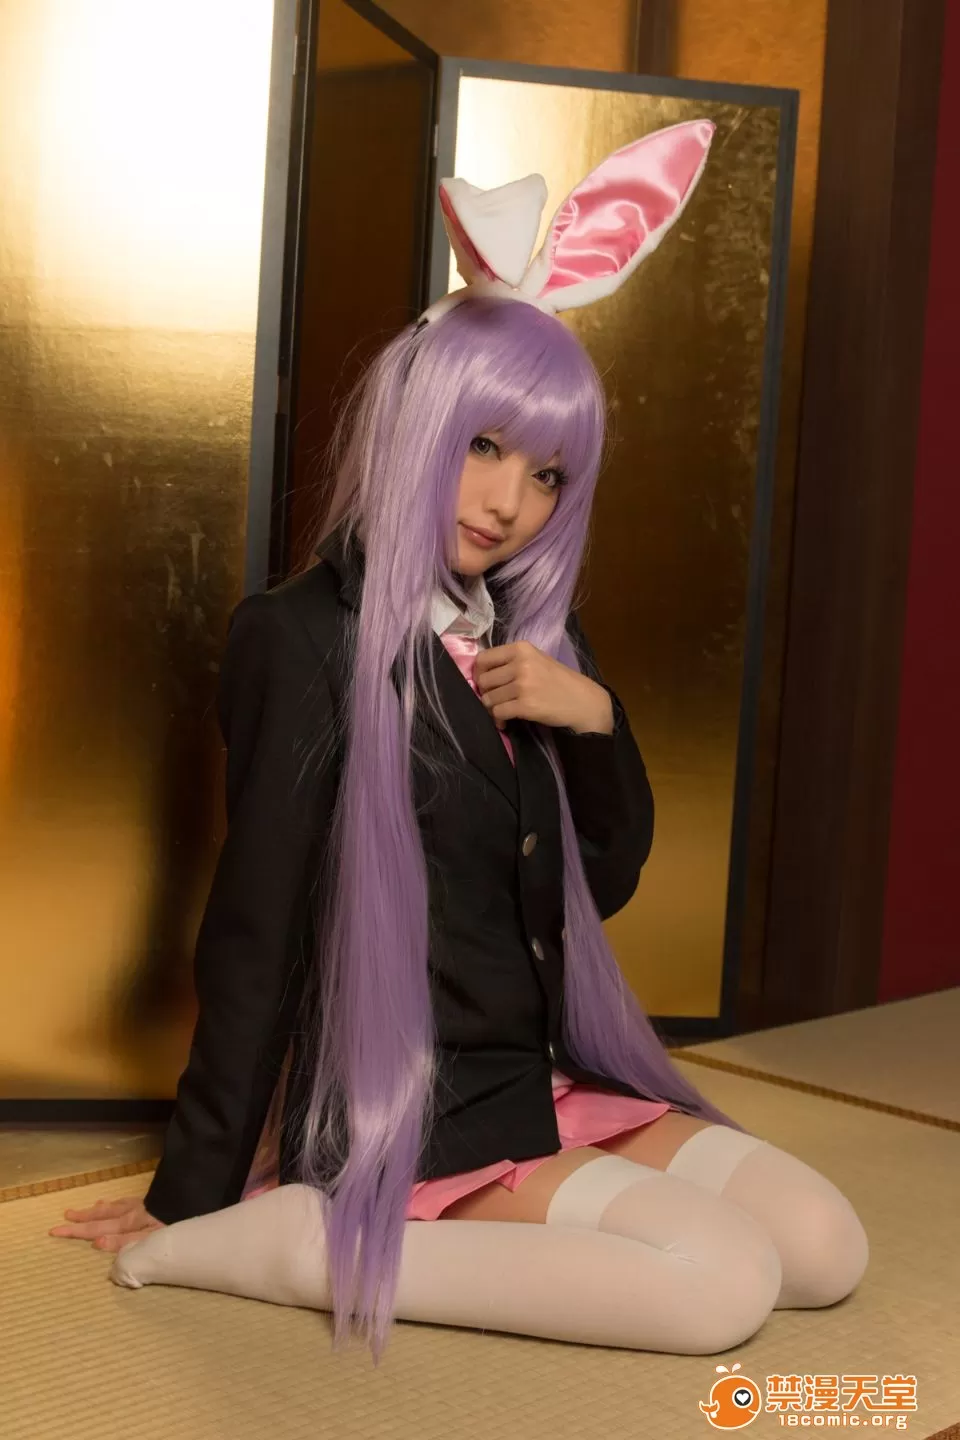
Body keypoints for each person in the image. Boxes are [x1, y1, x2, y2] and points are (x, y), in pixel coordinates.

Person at [51, 120, 868, 1362]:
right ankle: (295, 1241)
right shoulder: (302, 638)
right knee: (724, 1286)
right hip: (413, 1112)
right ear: (416, 421)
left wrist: (594, 718)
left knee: (823, 1249)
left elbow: (605, 878)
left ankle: (343, 1232)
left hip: (540, 1074)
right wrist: (189, 1191)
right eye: (484, 446)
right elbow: (255, 932)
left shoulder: (532, 634)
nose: (508, 502)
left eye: (546, 475)